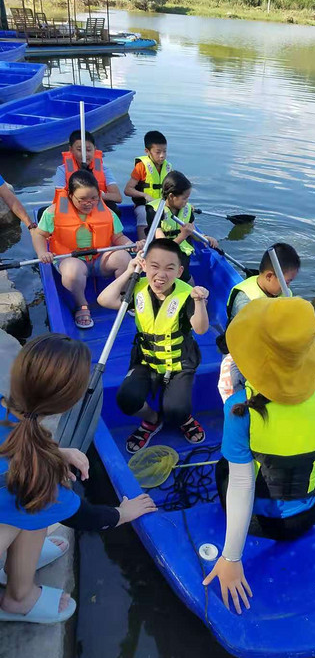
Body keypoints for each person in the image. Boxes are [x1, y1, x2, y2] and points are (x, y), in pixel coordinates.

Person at [202, 297, 315, 614]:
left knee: (226, 468)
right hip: (310, 515)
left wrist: (231, 558)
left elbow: (241, 487)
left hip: (260, 524)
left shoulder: (239, 409)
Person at [0, 334, 156, 625]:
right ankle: (18, 598)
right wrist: (123, 512)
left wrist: (56, 451)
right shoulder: (36, 475)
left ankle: (15, 559)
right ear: (65, 404)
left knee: (24, 507)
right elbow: (85, 516)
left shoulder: (4, 408)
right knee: (34, 506)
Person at [97, 239, 210, 452]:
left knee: (176, 411)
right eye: (154, 266)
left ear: (179, 271)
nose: (161, 275)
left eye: (170, 268)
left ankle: (183, 419)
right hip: (145, 360)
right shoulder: (137, 288)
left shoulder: (187, 294)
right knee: (126, 399)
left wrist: (199, 302)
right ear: (145, 265)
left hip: (179, 362)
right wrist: (129, 271)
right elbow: (104, 300)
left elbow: (201, 328)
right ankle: (152, 420)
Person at [31, 170, 139, 330]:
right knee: (72, 270)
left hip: (100, 258)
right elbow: (39, 235)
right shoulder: (53, 213)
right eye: (82, 199)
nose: (89, 203)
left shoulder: (107, 212)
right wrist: (42, 253)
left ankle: (123, 296)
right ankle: (82, 305)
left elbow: (118, 237)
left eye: (94, 198)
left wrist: (131, 244)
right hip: (70, 259)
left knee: (124, 258)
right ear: (70, 195)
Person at [217, 243, 301, 402]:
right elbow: (249, 338)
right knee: (235, 381)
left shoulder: (283, 292)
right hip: (242, 349)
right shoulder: (245, 300)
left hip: (269, 345)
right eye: (287, 282)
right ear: (269, 276)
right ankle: (239, 410)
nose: (288, 287)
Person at [147, 171, 219, 284]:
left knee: (183, 271)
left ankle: (188, 290)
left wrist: (205, 237)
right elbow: (164, 247)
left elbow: (193, 232)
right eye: (184, 198)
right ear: (171, 196)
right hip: (161, 252)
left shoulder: (187, 209)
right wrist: (183, 235)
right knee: (170, 265)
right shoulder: (154, 211)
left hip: (182, 251)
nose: (186, 202)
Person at [53, 129, 123, 217]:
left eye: (88, 150)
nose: (84, 155)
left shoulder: (104, 169)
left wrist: (95, 197)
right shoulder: (62, 170)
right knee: (44, 213)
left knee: (115, 210)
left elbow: (117, 197)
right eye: (79, 150)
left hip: (96, 207)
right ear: (71, 150)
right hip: (73, 208)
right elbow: (61, 198)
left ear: (95, 149)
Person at [124, 131, 173, 240]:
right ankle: (144, 245)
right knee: (143, 214)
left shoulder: (168, 167)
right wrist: (144, 195)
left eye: (165, 151)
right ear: (147, 151)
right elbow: (127, 190)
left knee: (174, 214)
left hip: (161, 205)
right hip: (144, 205)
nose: (162, 156)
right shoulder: (141, 167)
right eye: (158, 152)